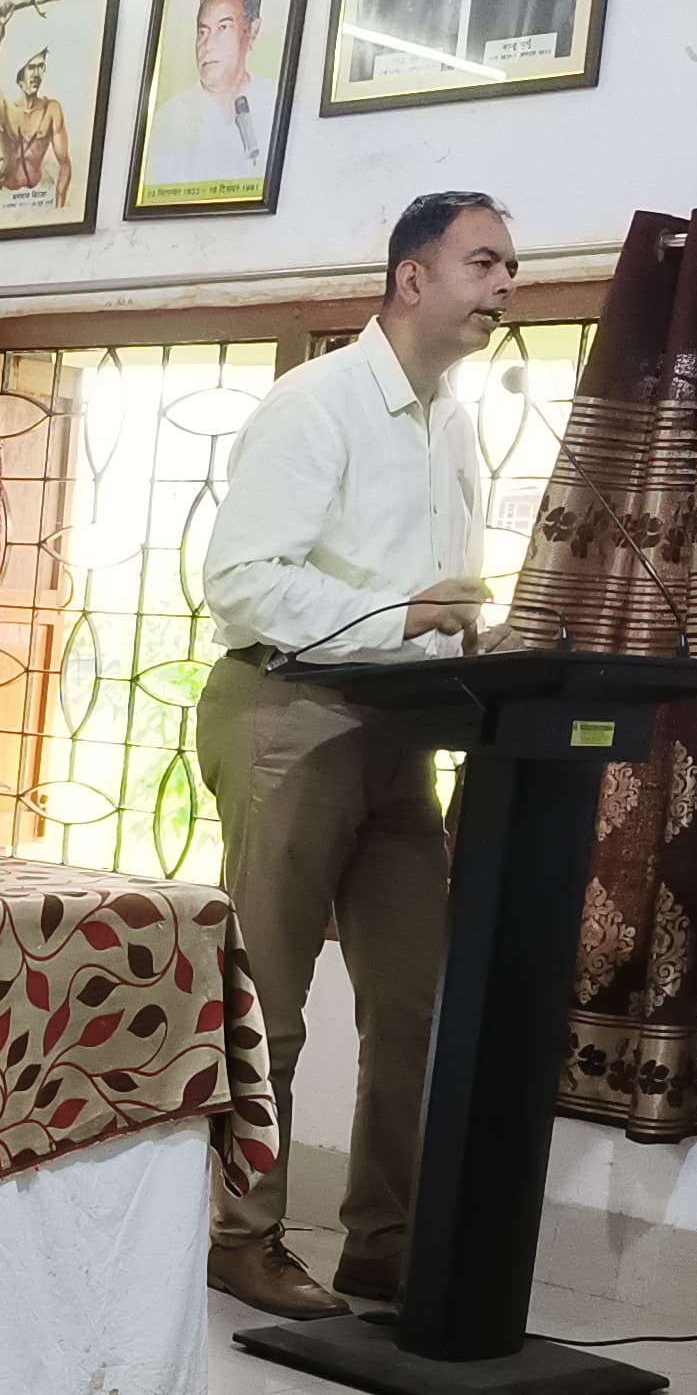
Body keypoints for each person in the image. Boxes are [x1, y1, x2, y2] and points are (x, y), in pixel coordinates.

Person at [190, 190, 512, 1316]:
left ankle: (388, 1243)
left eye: (510, 270)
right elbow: (240, 583)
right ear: (411, 277)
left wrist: (477, 637)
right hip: (288, 712)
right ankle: (241, 1239)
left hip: (400, 731)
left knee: (413, 1000)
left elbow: (437, 598)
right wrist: (402, 614)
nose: (503, 287)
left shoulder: (454, 424)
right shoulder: (314, 404)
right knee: (269, 1003)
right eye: (483, 263)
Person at [142, 0, 270, 192]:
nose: (208, 45)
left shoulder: (275, 102)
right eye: (202, 32)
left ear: (252, 31)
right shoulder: (168, 120)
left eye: (224, 28)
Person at [0, 1, 74, 205]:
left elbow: (64, 164)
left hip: (39, 193)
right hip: (7, 196)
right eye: (31, 68)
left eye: (40, 67)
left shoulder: (52, 110)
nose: (37, 74)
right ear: (19, 75)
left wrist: (60, 207)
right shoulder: (5, 110)